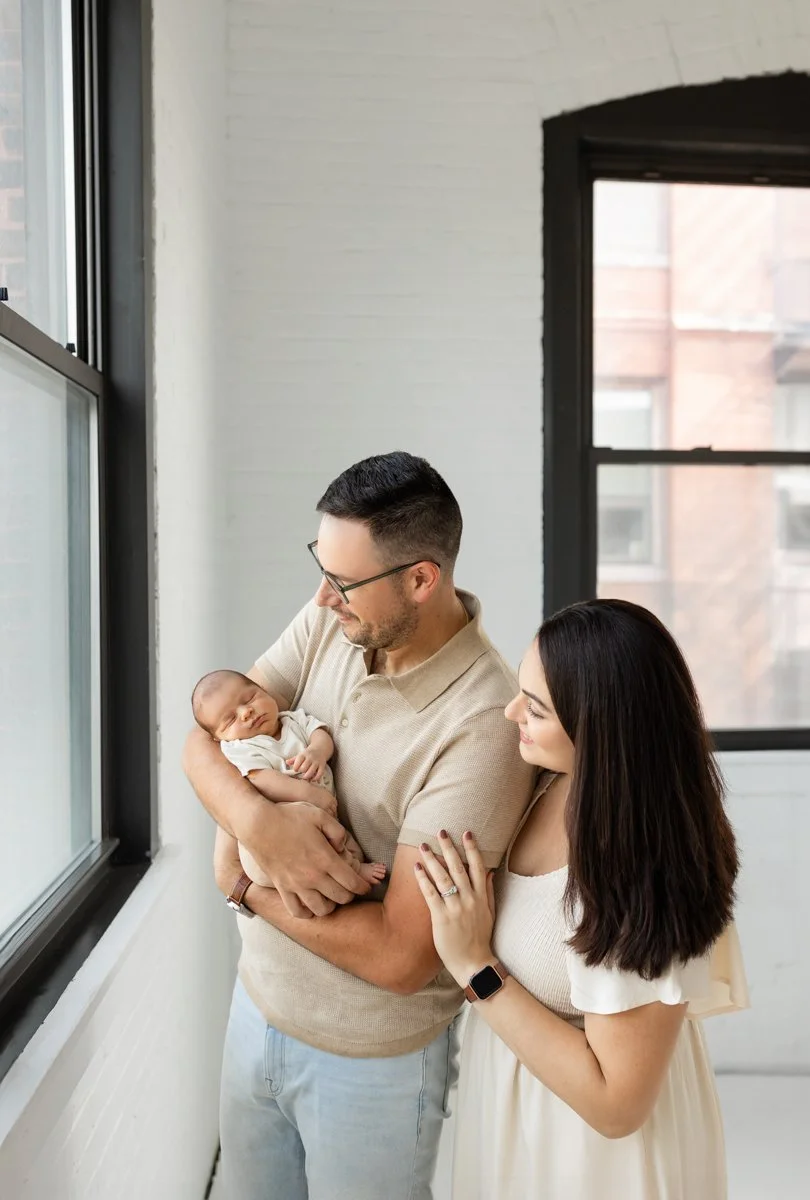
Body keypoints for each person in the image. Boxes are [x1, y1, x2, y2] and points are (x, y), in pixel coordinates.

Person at [182, 451, 536, 1200]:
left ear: (420, 578)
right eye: (322, 565)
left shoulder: (483, 726)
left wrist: (244, 885)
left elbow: (405, 956)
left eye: (344, 582)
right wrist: (254, 818)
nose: (322, 595)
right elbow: (208, 735)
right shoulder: (334, 620)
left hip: (374, 1066)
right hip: (255, 1010)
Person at [415, 598, 748, 1200]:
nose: (511, 711)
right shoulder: (549, 783)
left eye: (535, 708)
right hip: (519, 1124)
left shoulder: (644, 865)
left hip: (595, 1162)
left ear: (601, 728)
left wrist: (474, 967)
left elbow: (617, 1105)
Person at [191, 669, 386, 887]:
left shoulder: (294, 720)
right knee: (324, 846)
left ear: (265, 690)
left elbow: (320, 735)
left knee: (345, 843)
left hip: (324, 816)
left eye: (250, 698)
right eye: (230, 720)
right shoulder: (241, 748)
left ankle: (355, 868)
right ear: (219, 738)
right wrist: (308, 794)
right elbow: (261, 779)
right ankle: (353, 872)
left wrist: (317, 752)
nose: (246, 712)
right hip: (286, 827)